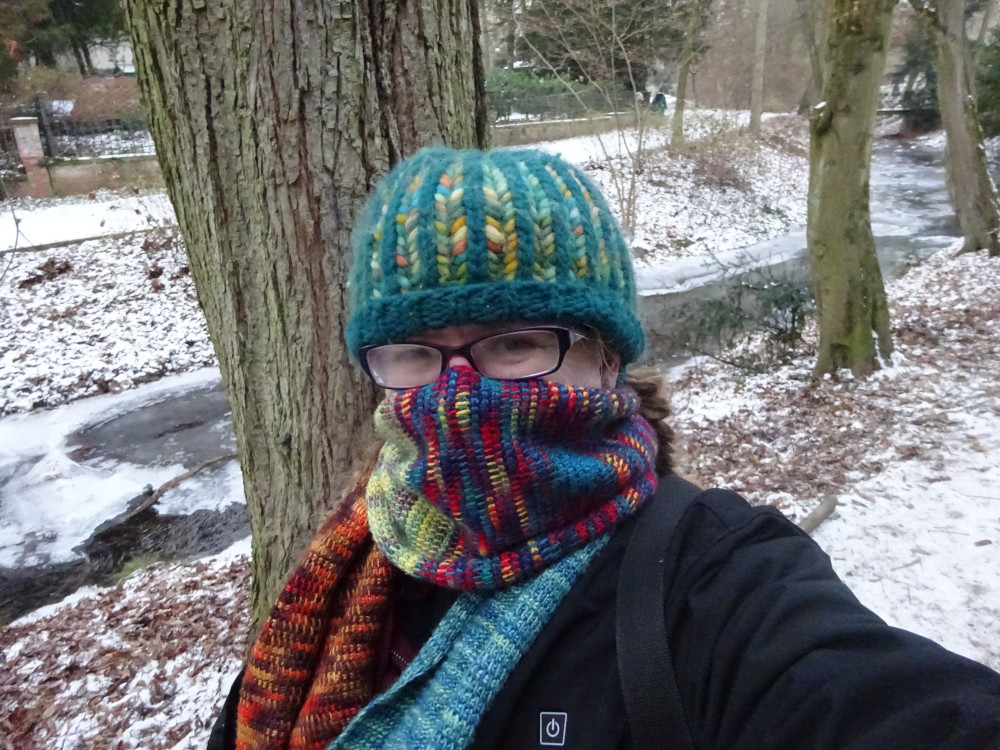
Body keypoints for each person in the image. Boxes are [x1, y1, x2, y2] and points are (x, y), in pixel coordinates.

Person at [209, 146, 1000, 750]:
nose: (456, 386)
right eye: (413, 352)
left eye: (515, 341)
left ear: (607, 357)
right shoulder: (353, 559)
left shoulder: (715, 582)